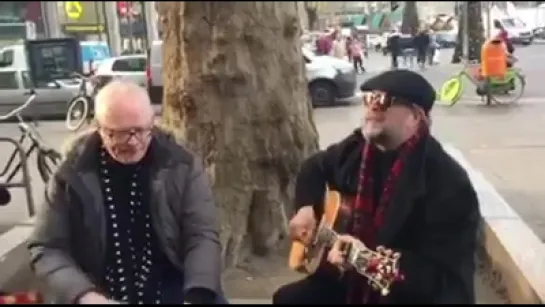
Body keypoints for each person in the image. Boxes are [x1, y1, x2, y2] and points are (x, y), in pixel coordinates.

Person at [273, 70, 480, 304]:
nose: (372, 108)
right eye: (369, 99)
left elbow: (442, 277)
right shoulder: (357, 149)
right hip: (349, 278)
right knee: (289, 299)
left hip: (408, 292)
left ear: (415, 116)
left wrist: (363, 258)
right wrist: (306, 209)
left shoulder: (447, 182)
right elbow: (314, 167)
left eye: (383, 101)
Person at [28, 80, 226, 305]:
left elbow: (202, 235)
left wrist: (197, 294)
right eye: (119, 134)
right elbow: (47, 247)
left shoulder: (182, 166)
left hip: (177, 288)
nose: (133, 143)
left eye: (141, 131)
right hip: (96, 290)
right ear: (99, 128)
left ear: (153, 123)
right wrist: (84, 295)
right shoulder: (71, 174)